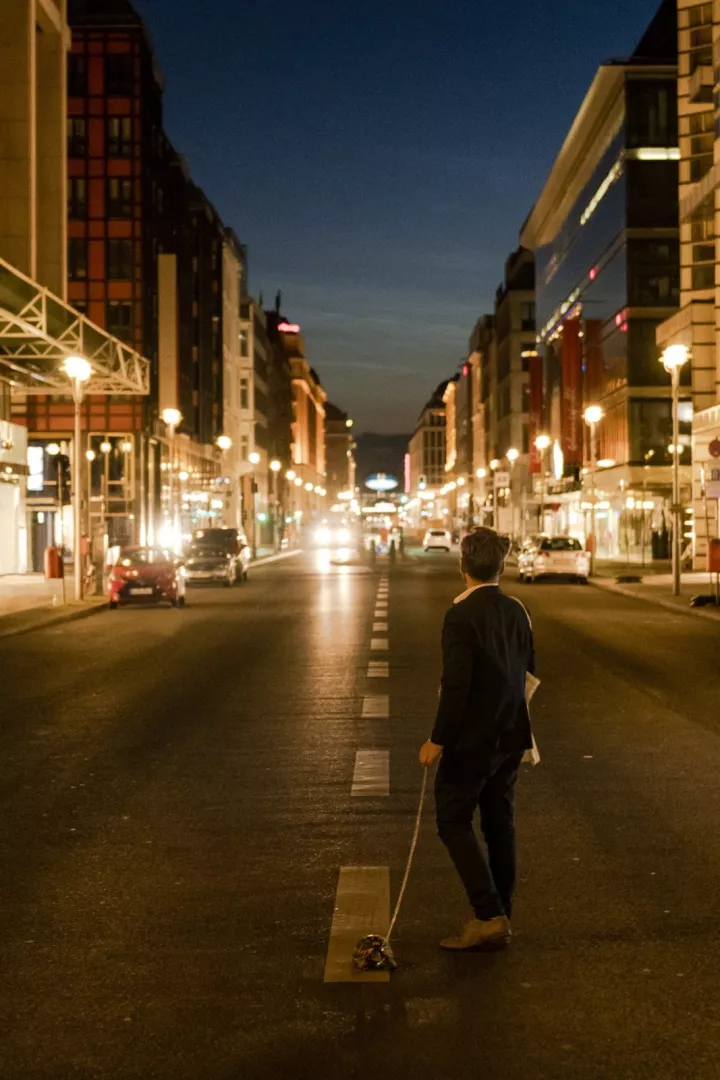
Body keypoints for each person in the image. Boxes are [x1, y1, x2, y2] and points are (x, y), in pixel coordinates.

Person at [419, 526, 535, 951]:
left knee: (452, 820)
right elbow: (529, 671)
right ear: (501, 566)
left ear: (462, 565)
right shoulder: (517, 609)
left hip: (471, 741)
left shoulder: (460, 615)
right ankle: (501, 912)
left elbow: (457, 686)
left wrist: (438, 739)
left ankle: (487, 913)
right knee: (499, 824)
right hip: (511, 735)